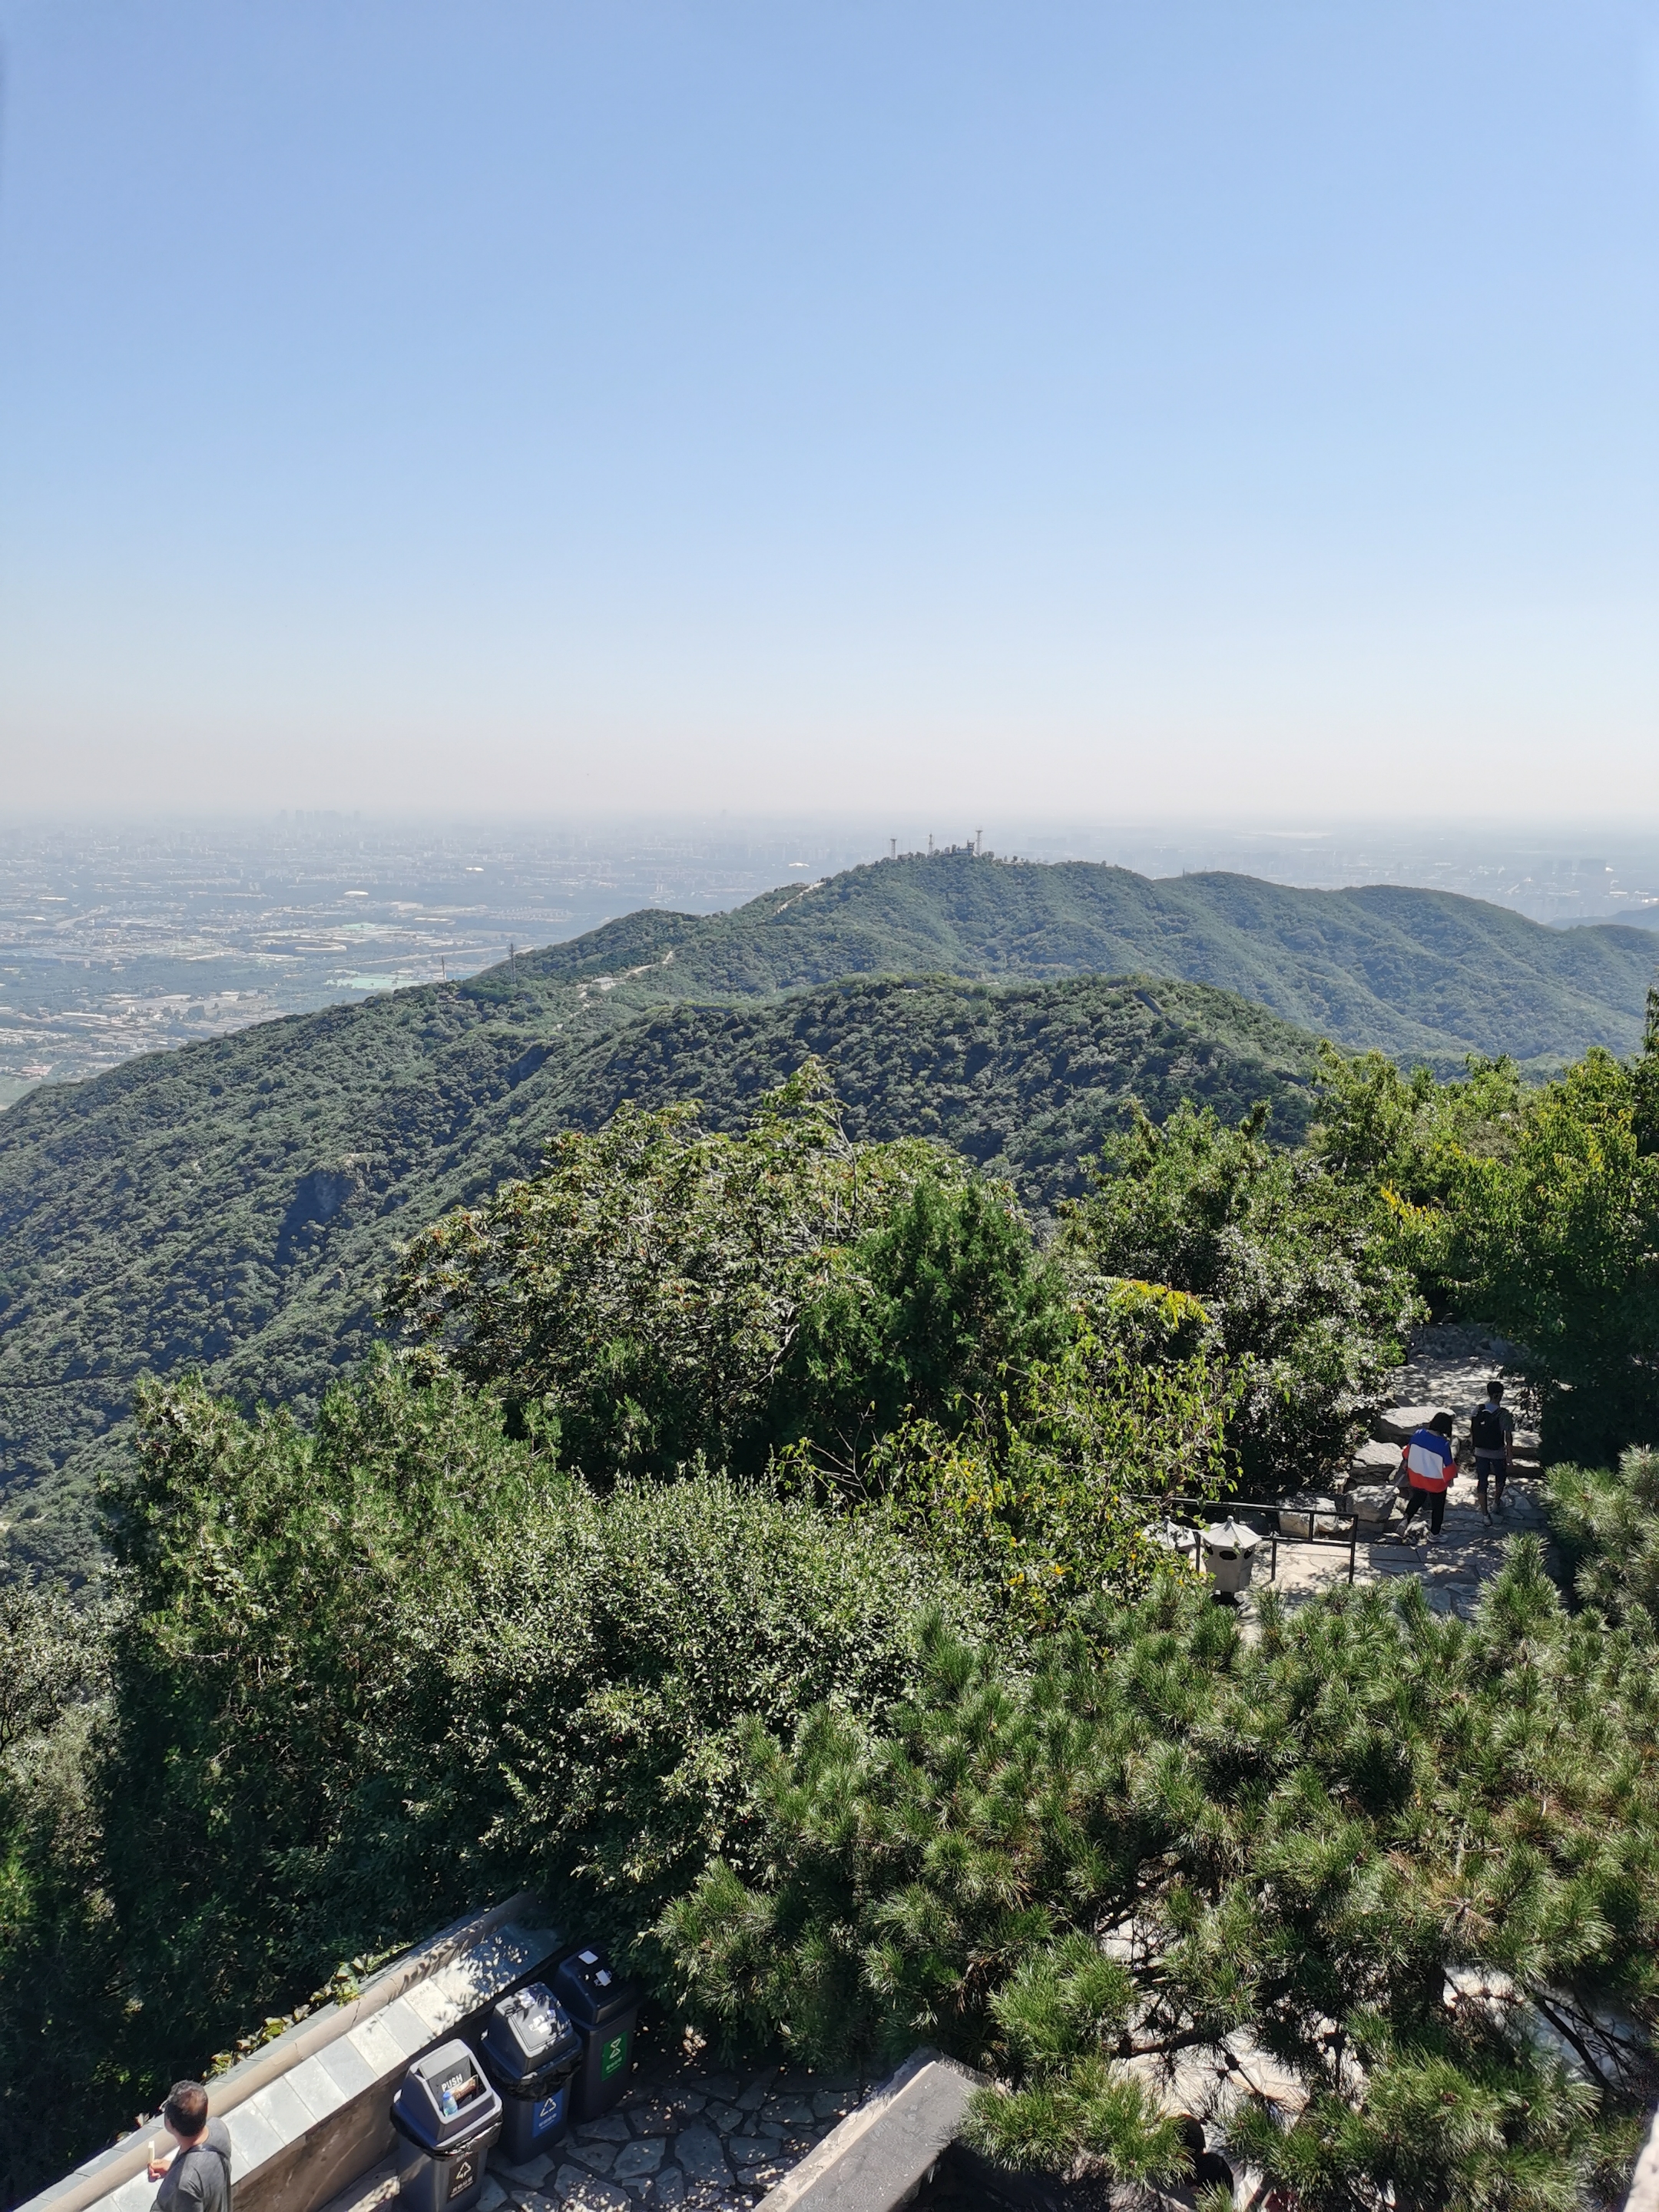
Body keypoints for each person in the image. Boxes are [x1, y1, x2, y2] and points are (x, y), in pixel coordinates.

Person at [147, 2082, 232, 2212]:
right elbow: (205, 2169)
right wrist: (174, 2169)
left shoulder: (184, 2187)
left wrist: (179, 2177)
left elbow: (193, 2183)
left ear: (170, 2122)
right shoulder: (219, 2129)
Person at [1398, 1411, 1456, 1541]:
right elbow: (1448, 1467)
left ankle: (1405, 1520)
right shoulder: (1444, 1444)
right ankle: (1434, 1534)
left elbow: (1407, 1453)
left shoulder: (1418, 1434)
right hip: (1435, 1482)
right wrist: (1450, 1481)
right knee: (1438, 1507)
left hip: (1417, 1477)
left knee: (1417, 1498)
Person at [1469, 1378, 1515, 1524]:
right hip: (1497, 1452)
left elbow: (1472, 1430)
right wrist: (1509, 1454)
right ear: (1499, 1395)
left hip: (1480, 1451)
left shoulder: (1478, 1409)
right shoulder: (1504, 1414)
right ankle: (1495, 1503)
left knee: (1482, 1481)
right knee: (1500, 1478)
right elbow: (1508, 1436)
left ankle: (1484, 1515)